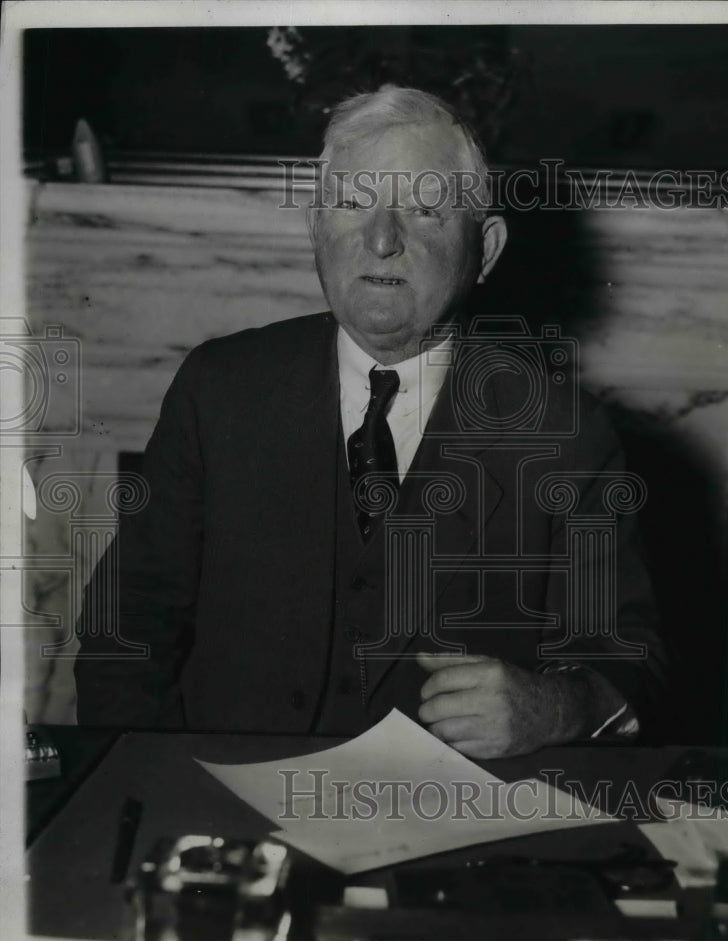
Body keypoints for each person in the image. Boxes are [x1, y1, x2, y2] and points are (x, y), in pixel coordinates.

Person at [75, 86, 667, 758]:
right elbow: (127, 627)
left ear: (488, 248)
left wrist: (559, 707)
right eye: (353, 205)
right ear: (315, 227)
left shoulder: (564, 430)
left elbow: (633, 665)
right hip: (228, 814)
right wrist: (146, 785)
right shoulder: (219, 389)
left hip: (448, 831)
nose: (382, 240)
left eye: (423, 211)